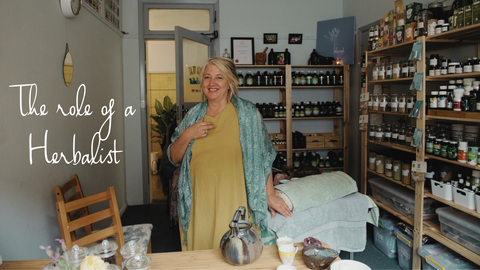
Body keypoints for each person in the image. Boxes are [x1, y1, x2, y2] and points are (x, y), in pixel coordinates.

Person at [168, 57, 291, 251]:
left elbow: (264, 157)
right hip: (200, 204)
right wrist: (187, 134)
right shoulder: (193, 116)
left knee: (235, 254)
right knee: (200, 258)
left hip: (234, 203)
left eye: (219, 77)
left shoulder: (248, 114)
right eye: (207, 77)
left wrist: (270, 194)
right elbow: (174, 156)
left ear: (230, 82)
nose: (212, 83)